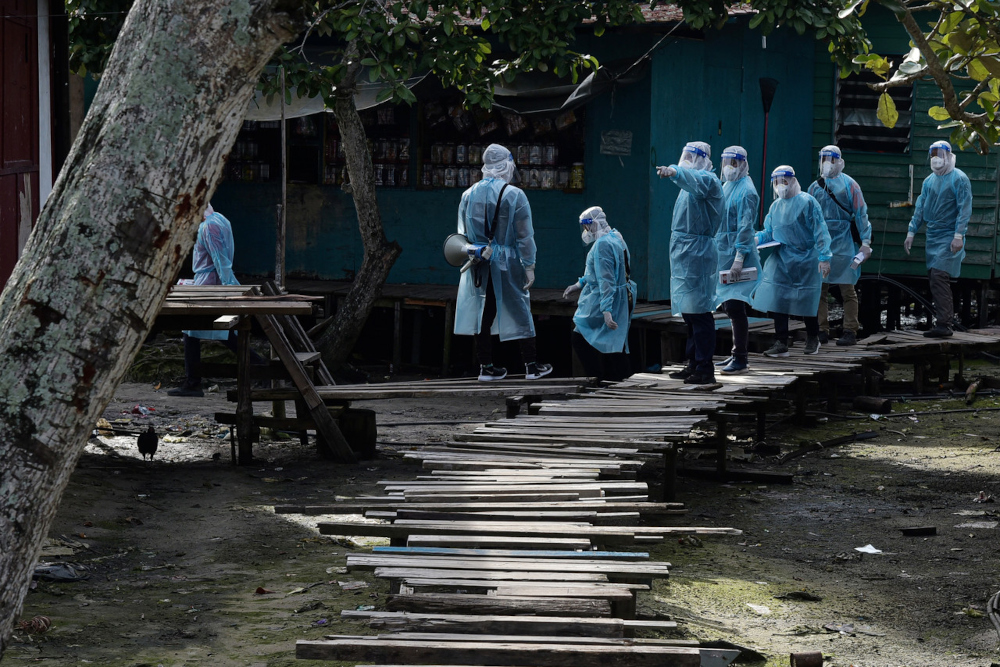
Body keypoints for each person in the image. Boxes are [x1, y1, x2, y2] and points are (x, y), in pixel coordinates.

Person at [454, 143, 553, 381]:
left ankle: (486, 367)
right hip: (507, 261)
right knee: (519, 310)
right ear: (506, 165)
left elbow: (461, 236)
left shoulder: (468, 194)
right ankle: (531, 366)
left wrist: (475, 250)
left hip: (478, 260)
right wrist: (529, 265)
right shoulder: (514, 195)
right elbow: (524, 236)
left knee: (482, 314)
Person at [168, 205, 262, 397]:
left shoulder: (208, 227)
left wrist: (231, 287)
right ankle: (193, 380)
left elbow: (221, 261)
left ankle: (194, 382)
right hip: (209, 281)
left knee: (203, 330)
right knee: (200, 331)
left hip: (210, 285)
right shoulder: (221, 219)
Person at [656, 141, 724, 385]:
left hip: (698, 254)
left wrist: (675, 171)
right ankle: (693, 362)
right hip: (686, 253)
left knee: (701, 312)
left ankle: (706, 368)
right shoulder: (687, 186)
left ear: (702, 159)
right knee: (689, 311)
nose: (686, 159)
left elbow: (696, 181)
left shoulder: (708, 181)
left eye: (690, 156)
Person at [751, 165, 832, 357]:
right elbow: (769, 232)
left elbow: (820, 230)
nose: (781, 186)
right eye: (777, 182)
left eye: (784, 181)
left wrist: (824, 257)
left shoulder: (807, 202)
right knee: (779, 298)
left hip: (806, 258)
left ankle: (813, 337)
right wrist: (756, 239)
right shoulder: (776, 206)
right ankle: (781, 342)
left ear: (792, 181)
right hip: (782, 258)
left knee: (806, 298)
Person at [904, 140, 973, 338]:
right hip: (932, 235)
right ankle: (942, 321)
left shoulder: (959, 178)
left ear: (948, 155)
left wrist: (958, 235)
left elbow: (964, 208)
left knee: (938, 276)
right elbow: (920, 207)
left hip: (950, 234)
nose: (935, 158)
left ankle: (944, 323)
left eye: (939, 154)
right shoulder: (929, 181)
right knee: (934, 278)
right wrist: (911, 232)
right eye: (932, 154)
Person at [807, 145, 872, 346]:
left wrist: (866, 241)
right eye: (824, 158)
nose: (827, 162)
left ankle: (850, 330)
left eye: (831, 158)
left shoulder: (850, 185)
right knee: (820, 288)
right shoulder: (815, 187)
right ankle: (821, 330)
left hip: (843, 241)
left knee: (847, 288)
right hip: (822, 242)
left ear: (839, 161)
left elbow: (861, 214)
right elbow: (808, 216)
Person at [563, 206, 637, 382]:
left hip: (606, 298)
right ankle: (616, 379)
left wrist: (606, 309)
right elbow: (601, 272)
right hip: (622, 295)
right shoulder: (615, 236)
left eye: (586, 226)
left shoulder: (603, 245)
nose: (585, 231)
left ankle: (599, 379)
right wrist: (580, 283)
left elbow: (606, 279)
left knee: (580, 338)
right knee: (614, 342)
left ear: (594, 224)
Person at [714, 146, 761, 375]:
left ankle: (740, 358)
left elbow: (745, 226)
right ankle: (735, 352)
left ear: (743, 164)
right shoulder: (728, 186)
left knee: (735, 305)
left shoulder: (747, 191)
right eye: (726, 162)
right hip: (725, 252)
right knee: (728, 305)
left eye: (733, 162)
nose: (728, 167)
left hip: (739, 255)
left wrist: (739, 257)